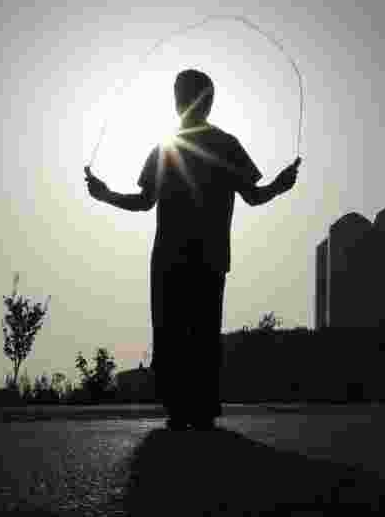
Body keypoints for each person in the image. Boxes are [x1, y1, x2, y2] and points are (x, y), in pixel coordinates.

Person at [85, 68, 300, 430]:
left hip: (172, 255)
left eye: (180, 94)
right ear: (209, 102)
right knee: (201, 331)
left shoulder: (168, 145)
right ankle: (199, 408)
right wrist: (279, 185)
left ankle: (181, 407)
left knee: (172, 330)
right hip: (210, 255)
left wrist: (105, 195)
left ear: (181, 100)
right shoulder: (225, 144)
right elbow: (256, 195)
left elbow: (142, 202)